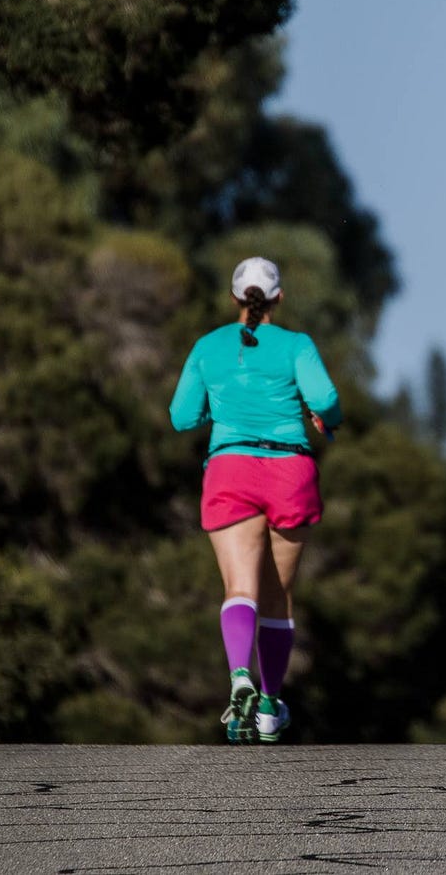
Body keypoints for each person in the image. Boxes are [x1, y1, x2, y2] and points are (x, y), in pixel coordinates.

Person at [169, 256, 341, 743]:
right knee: (277, 599)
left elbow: (182, 416)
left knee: (239, 588)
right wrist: (327, 418)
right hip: (290, 471)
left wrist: (220, 407)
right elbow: (325, 399)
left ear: (234, 298)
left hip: (231, 470)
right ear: (278, 298)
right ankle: (269, 705)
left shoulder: (208, 346)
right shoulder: (296, 345)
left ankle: (238, 678)